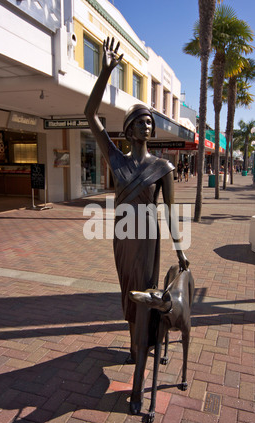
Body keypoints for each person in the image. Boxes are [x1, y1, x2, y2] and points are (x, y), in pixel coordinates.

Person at [84, 37, 189, 366]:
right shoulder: (115, 158)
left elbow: (170, 212)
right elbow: (90, 113)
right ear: (129, 130)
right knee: (130, 289)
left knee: (147, 288)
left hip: (147, 238)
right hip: (123, 238)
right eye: (141, 121)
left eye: (150, 122)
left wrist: (181, 249)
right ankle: (138, 339)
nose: (147, 125)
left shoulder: (162, 167)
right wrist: (105, 71)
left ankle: (142, 342)